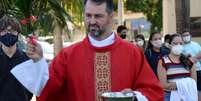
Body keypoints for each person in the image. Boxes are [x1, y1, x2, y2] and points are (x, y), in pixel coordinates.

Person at [11, 0, 164, 101]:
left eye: (98, 16)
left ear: (111, 17)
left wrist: (134, 97)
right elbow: (48, 91)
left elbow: (154, 91)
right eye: (88, 15)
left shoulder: (133, 53)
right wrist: (39, 62)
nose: (91, 21)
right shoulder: (68, 55)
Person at [0, 15, 33, 101]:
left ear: (18, 33)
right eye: (4, 30)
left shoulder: (27, 60)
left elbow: (31, 89)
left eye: (12, 30)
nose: (8, 33)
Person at [157, 33, 197, 101]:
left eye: (181, 43)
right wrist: (184, 84)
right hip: (169, 97)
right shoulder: (163, 61)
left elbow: (194, 82)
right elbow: (163, 85)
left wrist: (180, 85)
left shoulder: (189, 60)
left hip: (187, 97)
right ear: (169, 45)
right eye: (175, 43)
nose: (178, 45)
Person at [181, 29, 201, 101]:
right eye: (184, 36)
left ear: (190, 36)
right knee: (191, 89)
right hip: (188, 71)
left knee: (199, 89)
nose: (186, 37)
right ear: (182, 37)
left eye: (187, 35)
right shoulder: (181, 47)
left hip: (199, 69)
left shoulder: (196, 44)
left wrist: (195, 58)